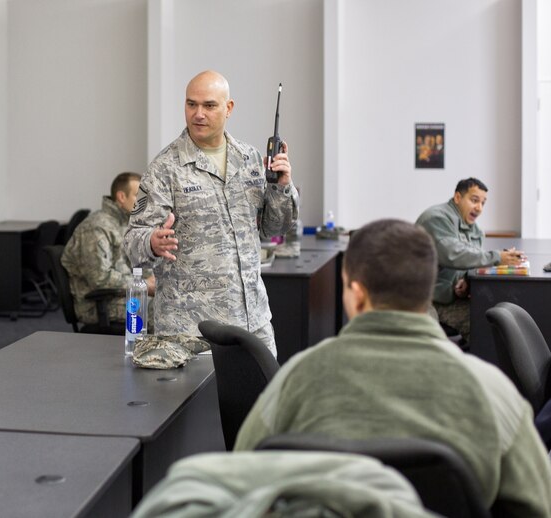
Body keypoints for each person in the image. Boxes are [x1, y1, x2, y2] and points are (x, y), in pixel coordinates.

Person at [233, 219, 551, 515]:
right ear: (427, 294)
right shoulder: (493, 393)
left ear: (356, 296)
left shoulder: (294, 380)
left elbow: (239, 487)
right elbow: (538, 506)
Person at [123, 70, 298, 356]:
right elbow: (132, 243)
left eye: (209, 105)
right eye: (191, 104)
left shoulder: (251, 159)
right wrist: (152, 242)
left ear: (228, 108)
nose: (198, 114)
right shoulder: (165, 168)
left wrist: (282, 187)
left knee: (261, 400)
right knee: (205, 403)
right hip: (192, 331)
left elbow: (274, 229)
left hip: (252, 323)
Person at [415, 178, 524, 343]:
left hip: (450, 297)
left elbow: (470, 262)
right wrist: (497, 257)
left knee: (494, 320)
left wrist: (465, 281)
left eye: (483, 203)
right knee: (483, 327)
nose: (479, 208)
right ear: (458, 198)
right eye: (474, 200)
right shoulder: (436, 218)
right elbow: (453, 254)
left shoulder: (476, 231)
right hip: (425, 299)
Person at [61, 172, 154, 325]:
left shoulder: (125, 224)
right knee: (161, 311)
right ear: (122, 197)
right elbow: (100, 278)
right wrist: (144, 285)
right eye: (138, 195)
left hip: (124, 295)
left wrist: (155, 279)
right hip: (99, 305)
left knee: (175, 302)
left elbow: (135, 264)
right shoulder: (96, 227)